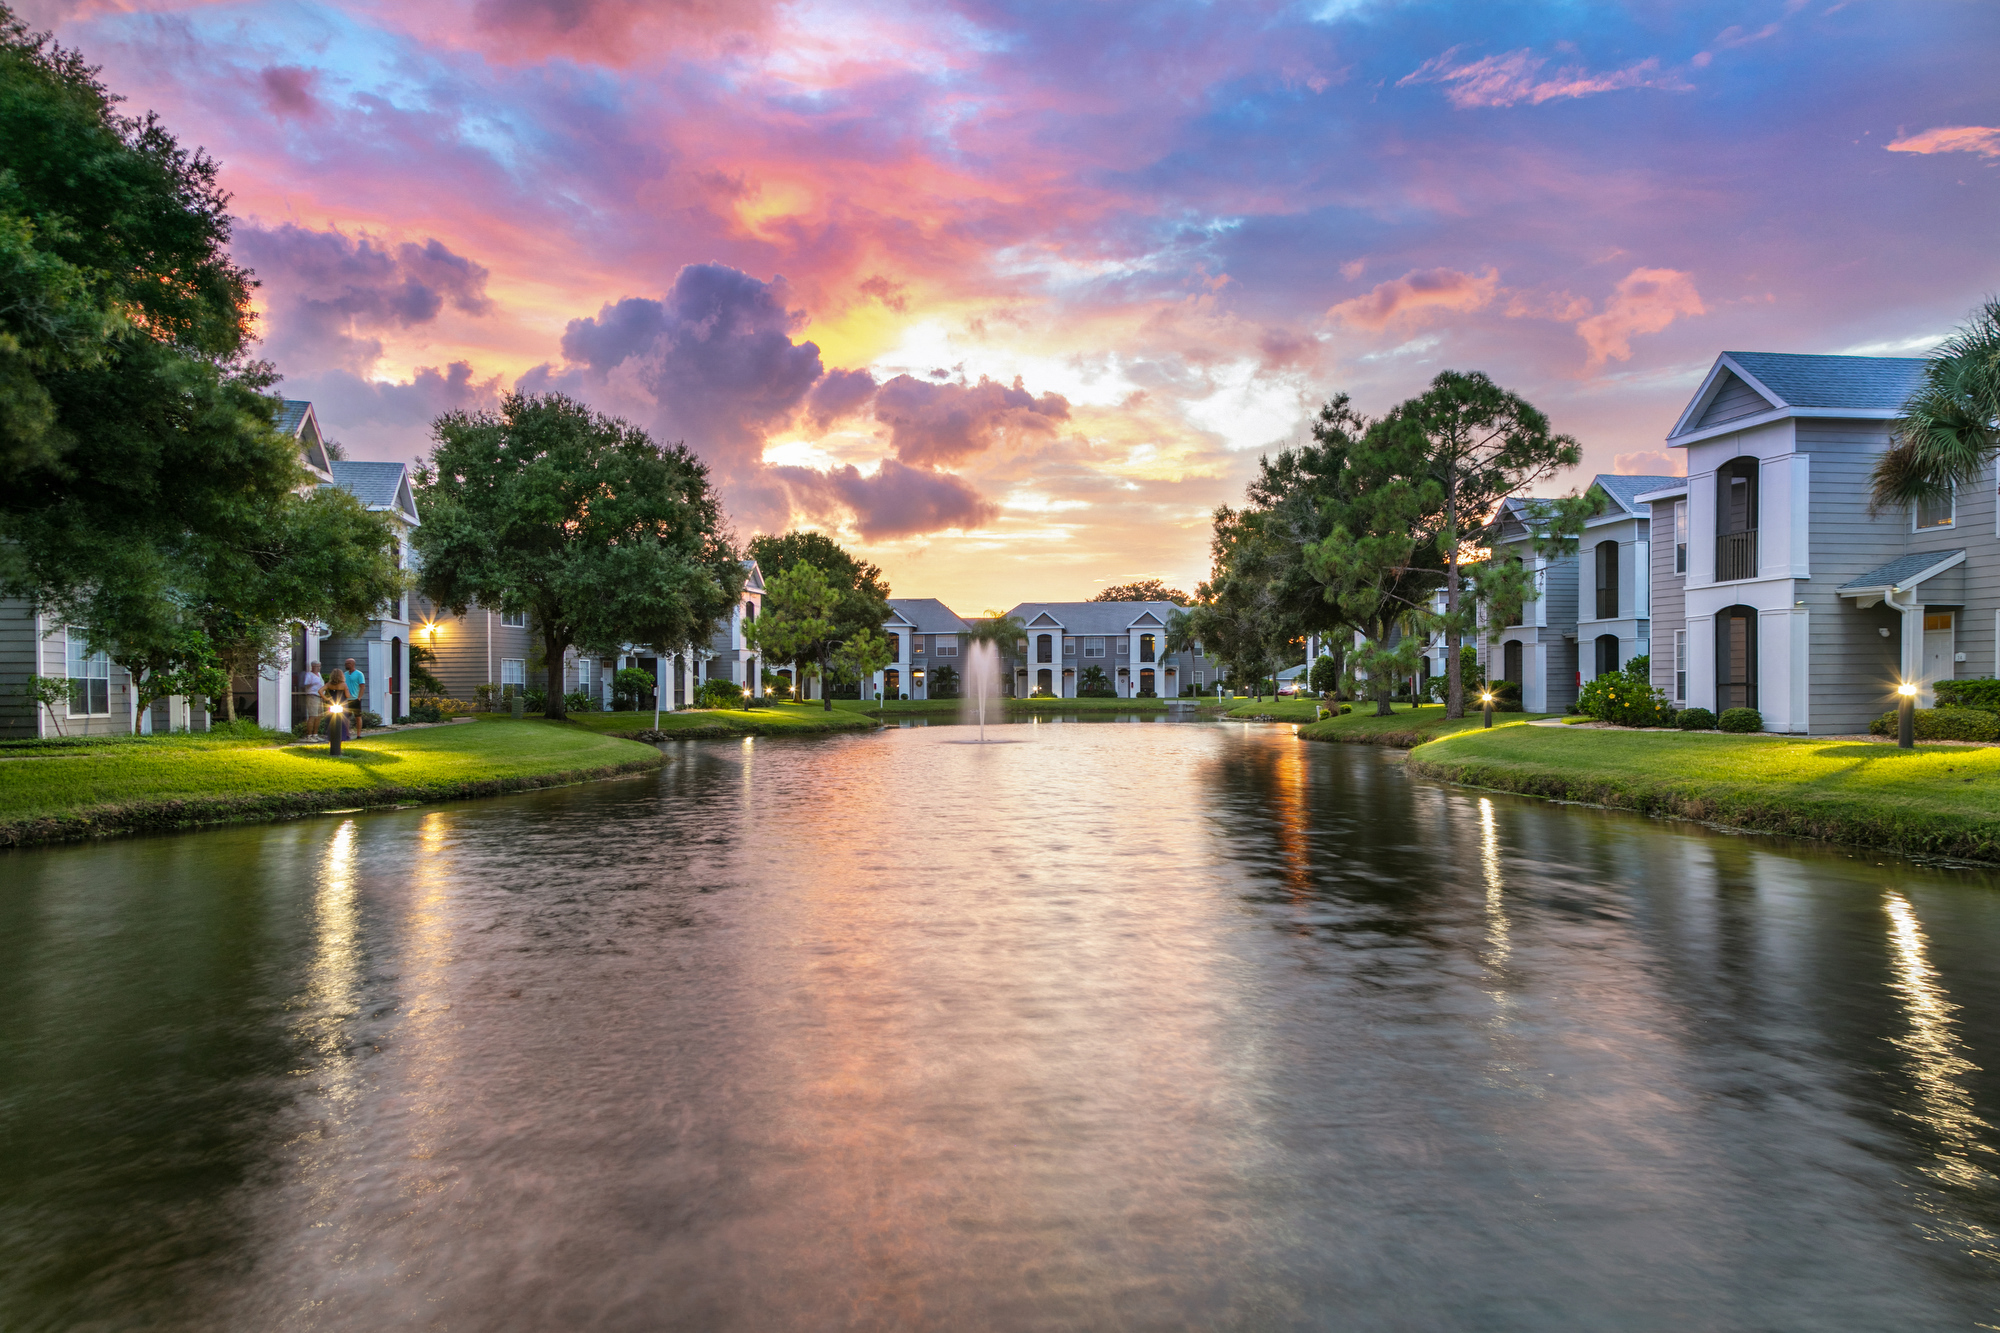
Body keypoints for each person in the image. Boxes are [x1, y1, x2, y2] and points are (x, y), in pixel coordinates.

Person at [319, 669, 350, 744]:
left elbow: (320, 691)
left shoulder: (329, 684)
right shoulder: (343, 685)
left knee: (331, 721)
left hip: (331, 703)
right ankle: (343, 737)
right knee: (343, 721)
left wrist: (325, 698)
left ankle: (330, 736)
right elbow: (347, 696)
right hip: (342, 704)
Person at [300, 660, 325, 737]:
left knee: (319, 716)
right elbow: (306, 683)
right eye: (317, 666)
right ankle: (309, 735)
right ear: (313, 667)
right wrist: (313, 682)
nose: (319, 668)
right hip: (312, 696)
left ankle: (315, 734)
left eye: (319, 666)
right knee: (313, 716)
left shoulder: (319, 674)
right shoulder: (309, 674)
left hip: (319, 696)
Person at [343, 658, 366, 724]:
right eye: (346, 664)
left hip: (355, 698)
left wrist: (359, 697)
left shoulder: (359, 674)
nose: (346, 665)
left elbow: (362, 686)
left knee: (358, 717)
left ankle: (358, 734)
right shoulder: (344, 674)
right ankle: (347, 733)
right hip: (347, 699)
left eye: (348, 664)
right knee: (346, 717)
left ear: (352, 664)